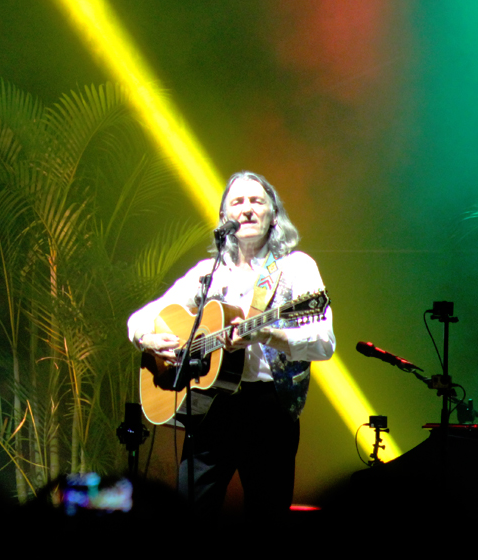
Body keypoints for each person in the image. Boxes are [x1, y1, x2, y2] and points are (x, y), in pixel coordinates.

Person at [127, 171, 334, 520]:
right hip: (212, 409)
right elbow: (142, 317)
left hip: (269, 409)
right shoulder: (209, 273)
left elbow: (324, 343)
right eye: (237, 202)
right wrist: (148, 338)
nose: (247, 209)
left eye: (257, 201)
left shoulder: (295, 267)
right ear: (225, 217)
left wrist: (267, 335)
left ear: (273, 214)